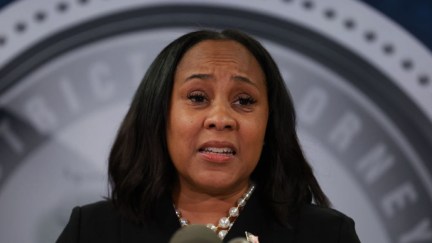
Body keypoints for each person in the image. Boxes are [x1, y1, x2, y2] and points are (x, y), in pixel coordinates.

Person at [56, 29, 361, 243]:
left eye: (244, 101)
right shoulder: (93, 230)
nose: (220, 119)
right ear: (160, 115)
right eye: (198, 97)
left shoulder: (326, 235)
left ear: (270, 123)